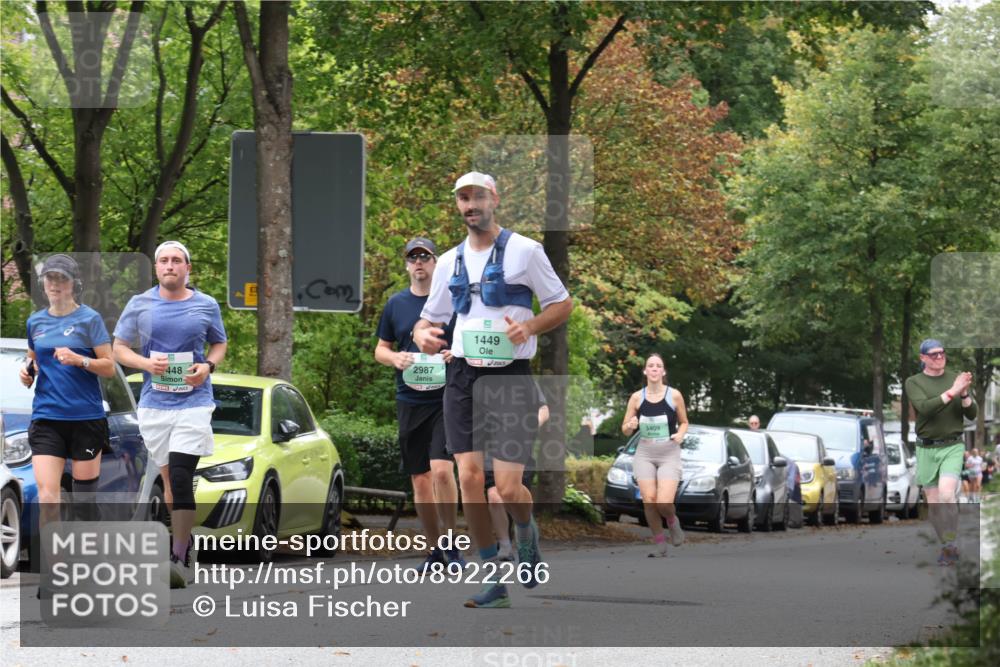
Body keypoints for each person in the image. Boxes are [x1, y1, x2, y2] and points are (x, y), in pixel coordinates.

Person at [413, 171, 573, 608]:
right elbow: (428, 318)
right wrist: (423, 335)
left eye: (477, 197)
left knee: (505, 487)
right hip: (463, 376)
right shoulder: (447, 262)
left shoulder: (526, 251)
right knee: (467, 476)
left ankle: (525, 530)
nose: (470, 205)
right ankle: (494, 582)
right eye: (463, 199)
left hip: (510, 378)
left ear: (494, 199)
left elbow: (562, 303)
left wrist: (530, 326)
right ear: (458, 205)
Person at [113, 241, 227, 588]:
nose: (170, 265)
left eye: (177, 260)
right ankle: (186, 540)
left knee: (180, 475)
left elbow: (219, 344)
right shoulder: (140, 304)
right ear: (157, 268)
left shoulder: (205, 305)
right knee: (169, 484)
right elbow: (118, 348)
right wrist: (146, 363)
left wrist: (207, 366)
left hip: (194, 403)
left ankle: (177, 554)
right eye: (163, 260)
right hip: (154, 403)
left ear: (187, 268)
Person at [375, 238, 462, 572]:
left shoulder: (452, 302)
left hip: (445, 398)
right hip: (410, 399)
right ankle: (434, 550)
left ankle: (452, 544)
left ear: (436, 263)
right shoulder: (396, 304)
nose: (419, 263)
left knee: (442, 469)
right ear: (407, 265)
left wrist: (457, 353)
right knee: (420, 479)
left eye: (425, 257)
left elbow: (468, 339)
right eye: (413, 258)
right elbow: (380, 349)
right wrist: (394, 357)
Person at [19, 254, 117, 532]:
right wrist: (28, 373)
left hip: (85, 419)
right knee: (48, 498)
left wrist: (80, 360)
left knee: (84, 503)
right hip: (47, 418)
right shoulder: (35, 322)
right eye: (50, 278)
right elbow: (33, 360)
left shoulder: (90, 319)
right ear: (43, 283)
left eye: (62, 278)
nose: (55, 284)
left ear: (74, 284)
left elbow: (109, 367)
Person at [904, 339, 977, 566]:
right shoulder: (913, 382)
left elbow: (973, 414)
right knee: (934, 503)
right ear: (923, 358)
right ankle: (947, 545)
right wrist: (955, 390)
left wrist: (964, 394)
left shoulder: (955, 377)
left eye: (942, 353)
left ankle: (951, 544)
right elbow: (925, 409)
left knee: (947, 495)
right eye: (933, 354)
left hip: (952, 445)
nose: (939, 357)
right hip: (926, 447)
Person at [621, 353, 689, 556]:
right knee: (649, 499)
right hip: (645, 452)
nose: (654, 369)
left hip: (668, 452)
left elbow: (684, 421)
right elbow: (625, 429)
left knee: (663, 502)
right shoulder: (636, 397)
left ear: (663, 371)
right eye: (650, 365)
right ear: (645, 371)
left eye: (658, 366)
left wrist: (680, 434)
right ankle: (660, 543)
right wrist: (630, 425)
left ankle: (672, 521)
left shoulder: (674, 395)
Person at [486, 391, 549, 561]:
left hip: (517, 448)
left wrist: (532, 424)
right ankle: (505, 545)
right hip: (489, 449)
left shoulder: (517, 375)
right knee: (494, 496)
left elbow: (543, 409)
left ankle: (525, 534)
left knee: (512, 498)